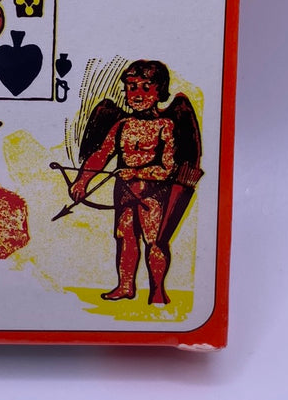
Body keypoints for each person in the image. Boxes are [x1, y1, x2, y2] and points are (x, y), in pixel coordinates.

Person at [70, 60, 201, 305]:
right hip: (124, 192)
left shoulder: (165, 126)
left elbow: (167, 169)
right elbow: (101, 154)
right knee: (125, 237)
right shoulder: (123, 125)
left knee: (155, 241)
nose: (137, 94)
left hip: (153, 194)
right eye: (131, 88)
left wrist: (136, 173)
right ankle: (125, 286)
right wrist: (82, 180)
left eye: (145, 88)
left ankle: (158, 291)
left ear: (159, 91)